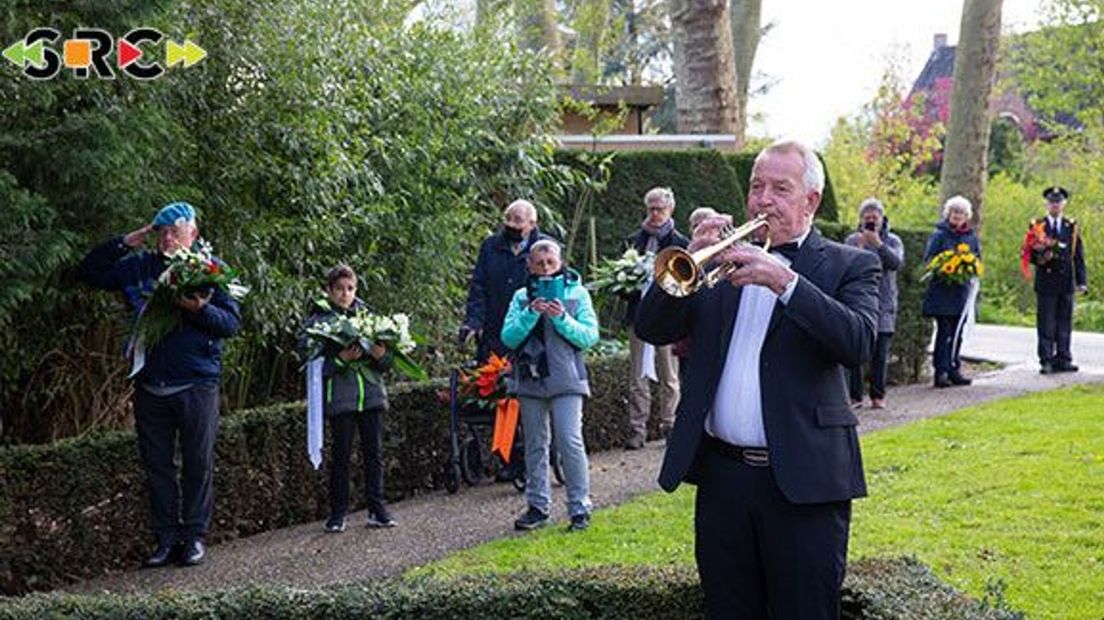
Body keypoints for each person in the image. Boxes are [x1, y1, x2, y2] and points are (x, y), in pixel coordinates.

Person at [636, 141, 881, 619]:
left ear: (810, 201)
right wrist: (692, 255)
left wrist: (785, 283)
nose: (763, 199)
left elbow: (858, 343)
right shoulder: (720, 261)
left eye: (780, 189)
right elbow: (652, 327)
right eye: (756, 187)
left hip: (805, 482)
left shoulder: (850, 264)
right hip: (723, 479)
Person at [78, 202, 241, 568]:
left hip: (197, 383)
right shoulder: (138, 268)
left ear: (193, 235)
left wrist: (197, 308)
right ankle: (166, 540)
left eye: (175, 231)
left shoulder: (211, 271)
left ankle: (195, 538)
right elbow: (90, 271)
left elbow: (230, 324)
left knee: (198, 464)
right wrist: (129, 240)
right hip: (151, 384)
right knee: (158, 467)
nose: (167, 238)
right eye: (161, 232)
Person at [501, 240, 599, 532]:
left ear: (560, 263)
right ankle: (537, 507)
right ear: (529, 265)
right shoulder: (521, 297)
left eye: (550, 263)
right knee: (534, 445)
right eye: (539, 263)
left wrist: (562, 319)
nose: (545, 269)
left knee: (570, 442)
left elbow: (590, 336)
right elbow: (508, 337)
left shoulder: (577, 293)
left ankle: (579, 508)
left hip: (567, 380)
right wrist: (530, 313)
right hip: (531, 380)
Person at [300, 264, 396, 533]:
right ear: (329, 291)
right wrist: (341, 360)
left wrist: (379, 355)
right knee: (341, 456)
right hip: (341, 399)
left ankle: (377, 509)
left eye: (350, 288)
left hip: (372, 396)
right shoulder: (318, 322)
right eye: (340, 289)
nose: (345, 294)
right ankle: (338, 512)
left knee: (374, 454)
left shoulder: (371, 317)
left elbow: (388, 361)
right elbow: (312, 364)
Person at [623, 187, 688, 450]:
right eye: (650, 208)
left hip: (668, 317)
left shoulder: (681, 243)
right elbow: (624, 283)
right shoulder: (633, 241)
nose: (654, 214)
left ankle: (670, 425)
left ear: (670, 209)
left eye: (659, 208)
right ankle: (636, 430)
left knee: (669, 375)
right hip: (639, 316)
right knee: (637, 375)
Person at [461, 199, 552, 363]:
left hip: (529, 329)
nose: (510, 224)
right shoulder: (490, 246)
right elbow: (478, 287)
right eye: (507, 219)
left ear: (532, 224)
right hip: (493, 326)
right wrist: (474, 322)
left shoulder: (546, 250)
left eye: (517, 220)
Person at [844, 198, 904, 408]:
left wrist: (878, 243)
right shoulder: (852, 240)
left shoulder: (893, 241)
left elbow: (895, 263)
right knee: (855, 351)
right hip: (858, 303)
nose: (871, 221)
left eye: (874, 217)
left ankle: (878, 396)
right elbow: (845, 266)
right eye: (866, 218)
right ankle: (855, 395)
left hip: (884, 304)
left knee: (880, 355)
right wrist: (860, 247)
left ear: (881, 218)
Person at [922, 195, 981, 388]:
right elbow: (930, 259)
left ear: (967, 216)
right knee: (944, 331)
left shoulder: (971, 237)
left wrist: (969, 269)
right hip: (942, 291)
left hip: (961, 292)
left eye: (961, 213)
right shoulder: (939, 235)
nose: (957, 216)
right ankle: (941, 371)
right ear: (948, 214)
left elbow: (977, 259)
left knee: (958, 332)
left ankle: (954, 367)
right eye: (954, 212)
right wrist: (946, 266)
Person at [1028, 186, 1087, 374]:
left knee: (1064, 321)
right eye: (1052, 202)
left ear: (1063, 204)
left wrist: (1081, 280)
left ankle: (1063, 357)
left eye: (1058, 202)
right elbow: (1028, 254)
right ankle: (1046, 359)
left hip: (1065, 280)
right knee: (1046, 322)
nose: (1055, 205)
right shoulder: (1037, 225)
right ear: (1047, 204)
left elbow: (1078, 255)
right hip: (1046, 280)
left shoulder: (1071, 226)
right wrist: (1040, 258)